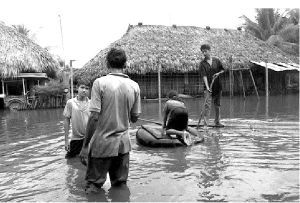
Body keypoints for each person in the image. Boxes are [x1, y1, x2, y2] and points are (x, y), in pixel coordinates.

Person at [80, 48, 141, 193]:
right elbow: (135, 117)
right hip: (123, 146)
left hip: (102, 144)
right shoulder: (134, 86)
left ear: (107, 63)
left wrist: (85, 146)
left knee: (93, 186)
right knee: (120, 185)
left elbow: (94, 117)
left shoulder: (100, 83)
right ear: (125, 64)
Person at [199, 44, 225, 127]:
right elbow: (204, 76)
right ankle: (206, 124)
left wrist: (218, 73)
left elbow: (222, 70)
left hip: (218, 86)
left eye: (205, 51)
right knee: (207, 106)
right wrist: (207, 88)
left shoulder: (216, 61)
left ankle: (217, 122)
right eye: (203, 52)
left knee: (217, 105)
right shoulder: (202, 64)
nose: (204, 53)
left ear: (209, 51)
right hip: (208, 88)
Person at [63, 80, 91, 159]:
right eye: (82, 87)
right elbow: (66, 120)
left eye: (87, 88)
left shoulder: (92, 103)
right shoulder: (70, 103)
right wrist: (66, 140)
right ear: (77, 88)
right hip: (76, 138)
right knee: (70, 161)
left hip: (89, 139)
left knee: (88, 162)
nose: (84, 90)